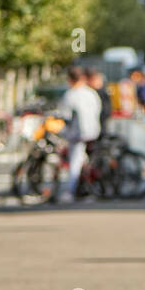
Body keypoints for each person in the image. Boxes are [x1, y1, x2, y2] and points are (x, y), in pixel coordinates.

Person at [55, 66, 102, 203]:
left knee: (74, 163)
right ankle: (88, 186)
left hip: (77, 133)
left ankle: (70, 191)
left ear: (70, 79)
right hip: (93, 131)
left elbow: (66, 116)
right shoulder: (91, 93)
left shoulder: (71, 95)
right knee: (83, 160)